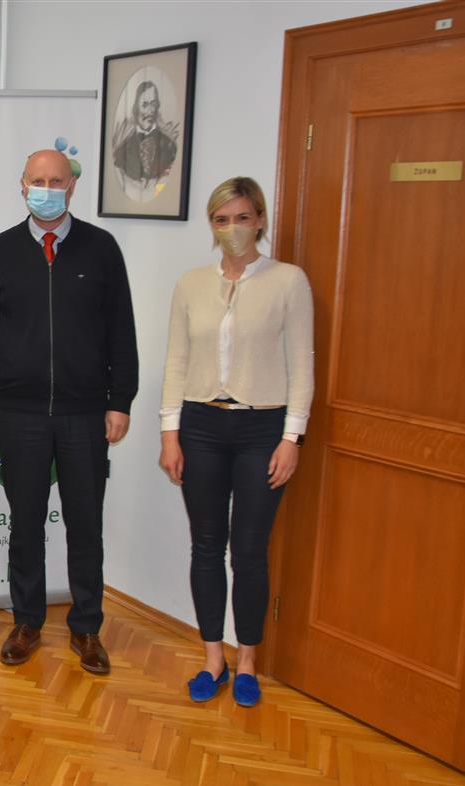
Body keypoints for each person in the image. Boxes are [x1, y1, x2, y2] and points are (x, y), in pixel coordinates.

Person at [0, 150, 139, 672]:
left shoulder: (101, 248)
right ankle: (27, 622)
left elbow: (121, 331)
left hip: (86, 414)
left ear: (71, 187)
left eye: (56, 181)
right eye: (37, 181)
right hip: (20, 413)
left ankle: (86, 628)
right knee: (25, 525)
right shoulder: (1, 251)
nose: (46, 189)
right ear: (22, 186)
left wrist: (120, 401)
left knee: (85, 524)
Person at [159, 176, 313, 707]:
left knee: (248, 551)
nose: (232, 229)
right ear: (212, 225)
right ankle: (213, 659)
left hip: (262, 430)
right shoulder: (191, 284)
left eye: (242, 218)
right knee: (205, 545)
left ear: (260, 220)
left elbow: (302, 368)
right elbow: (176, 362)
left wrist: (292, 438)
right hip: (200, 426)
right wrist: (170, 434)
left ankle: (247, 661)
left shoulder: (288, 282)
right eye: (222, 220)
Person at [112, 81, 178, 195]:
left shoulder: (170, 147)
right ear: (135, 108)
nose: (150, 110)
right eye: (145, 104)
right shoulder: (121, 152)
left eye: (153, 104)